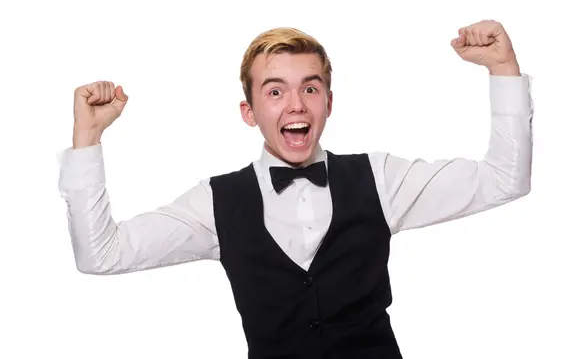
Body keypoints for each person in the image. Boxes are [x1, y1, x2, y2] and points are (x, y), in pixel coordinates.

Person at [57, 19, 533, 359]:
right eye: (275, 90)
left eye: (309, 88)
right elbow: (101, 254)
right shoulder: (215, 204)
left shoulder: (382, 179)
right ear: (250, 111)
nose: (295, 104)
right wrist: (87, 140)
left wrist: (503, 69)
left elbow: (503, 179)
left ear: (328, 101)